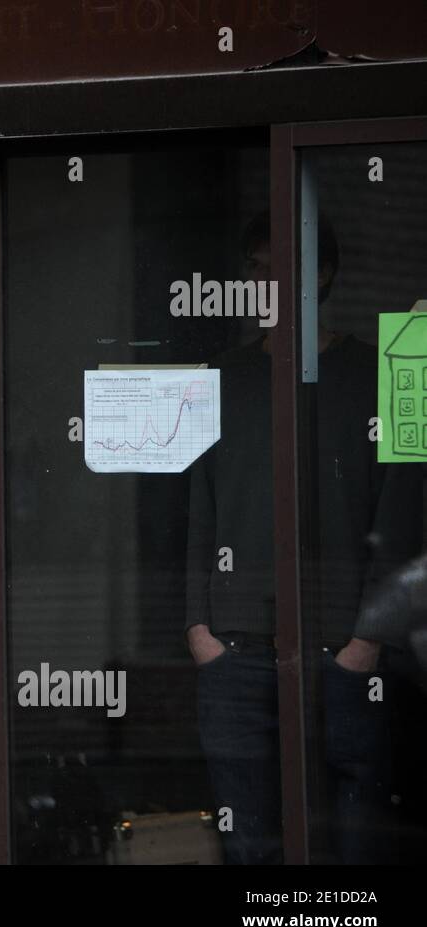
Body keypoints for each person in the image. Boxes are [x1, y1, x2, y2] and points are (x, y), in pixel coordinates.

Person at [184, 211, 421, 863]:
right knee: (250, 847)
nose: (260, 281)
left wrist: (367, 640)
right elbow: (198, 509)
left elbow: (402, 515)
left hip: (344, 651)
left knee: (357, 843)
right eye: (252, 269)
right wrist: (199, 629)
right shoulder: (221, 376)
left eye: (275, 268)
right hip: (235, 650)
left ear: (321, 276)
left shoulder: (381, 375)